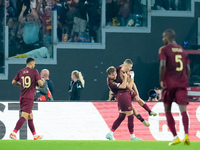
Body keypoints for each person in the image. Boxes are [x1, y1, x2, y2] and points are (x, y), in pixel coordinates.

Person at [159, 29, 191, 146]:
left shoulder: (164, 50)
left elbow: (162, 65)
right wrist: (184, 80)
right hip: (181, 84)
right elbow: (188, 69)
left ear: (167, 37)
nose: (163, 39)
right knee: (183, 110)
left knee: (167, 109)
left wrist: (162, 80)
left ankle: (175, 137)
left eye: (163, 37)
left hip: (170, 84)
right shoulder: (183, 50)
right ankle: (186, 135)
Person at [10, 57, 45, 140]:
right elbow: (40, 84)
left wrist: (20, 85)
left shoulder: (21, 72)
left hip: (22, 97)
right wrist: (43, 81)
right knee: (24, 116)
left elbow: (13, 82)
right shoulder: (34, 72)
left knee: (30, 116)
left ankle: (35, 135)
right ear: (31, 63)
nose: (35, 65)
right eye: (34, 63)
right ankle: (14, 133)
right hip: (29, 97)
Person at [106, 65, 141, 141]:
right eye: (112, 75)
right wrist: (126, 77)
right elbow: (124, 86)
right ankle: (132, 137)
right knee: (130, 116)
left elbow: (123, 65)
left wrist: (128, 67)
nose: (115, 76)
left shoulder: (117, 70)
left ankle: (110, 133)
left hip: (121, 97)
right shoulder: (111, 83)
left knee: (121, 116)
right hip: (123, 98)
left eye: (115, 74)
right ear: (109, 75)